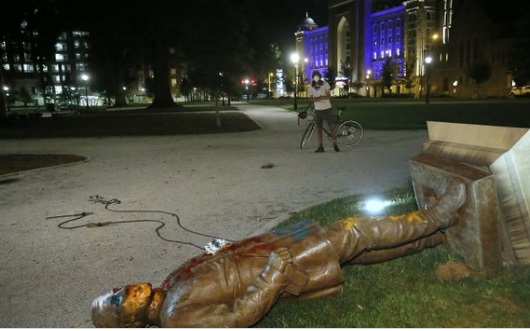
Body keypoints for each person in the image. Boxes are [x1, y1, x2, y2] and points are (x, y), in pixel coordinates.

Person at [91, 182, 466, 328]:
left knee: (354, 252)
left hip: (268, 251)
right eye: (120, 299)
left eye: (117, 289)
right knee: (355, 231)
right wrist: (274, 272)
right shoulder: (177, 318)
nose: (126, 289)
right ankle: (436, 217)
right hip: (278, 266)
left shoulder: (168, 286)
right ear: (130, 320)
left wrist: (224, 252)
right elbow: (238, 316)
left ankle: (431, 240)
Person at [307, 70, 339, 153]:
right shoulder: (311, 88)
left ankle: (335, 144)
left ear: (320, 76)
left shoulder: (325, 84)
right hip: (318, 109)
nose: (316, 77)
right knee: (319, 129)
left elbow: (329, 96)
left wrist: (323, 97)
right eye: (314, 76)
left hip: (327, 108)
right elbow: (311, 99)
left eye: (317, 75)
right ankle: (321, 146)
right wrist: (316, 99)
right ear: (313, 78)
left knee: (331, 127)